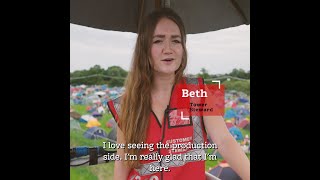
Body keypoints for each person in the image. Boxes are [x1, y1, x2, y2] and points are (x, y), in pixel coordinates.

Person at [107, 8, 250, 180]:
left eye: (176, 41)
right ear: (144, 49)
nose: (168, 49)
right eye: (158, 41)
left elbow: (224, 141)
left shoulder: (201, 91)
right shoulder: (127, 103)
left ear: (183, 49)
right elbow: (123, 160)